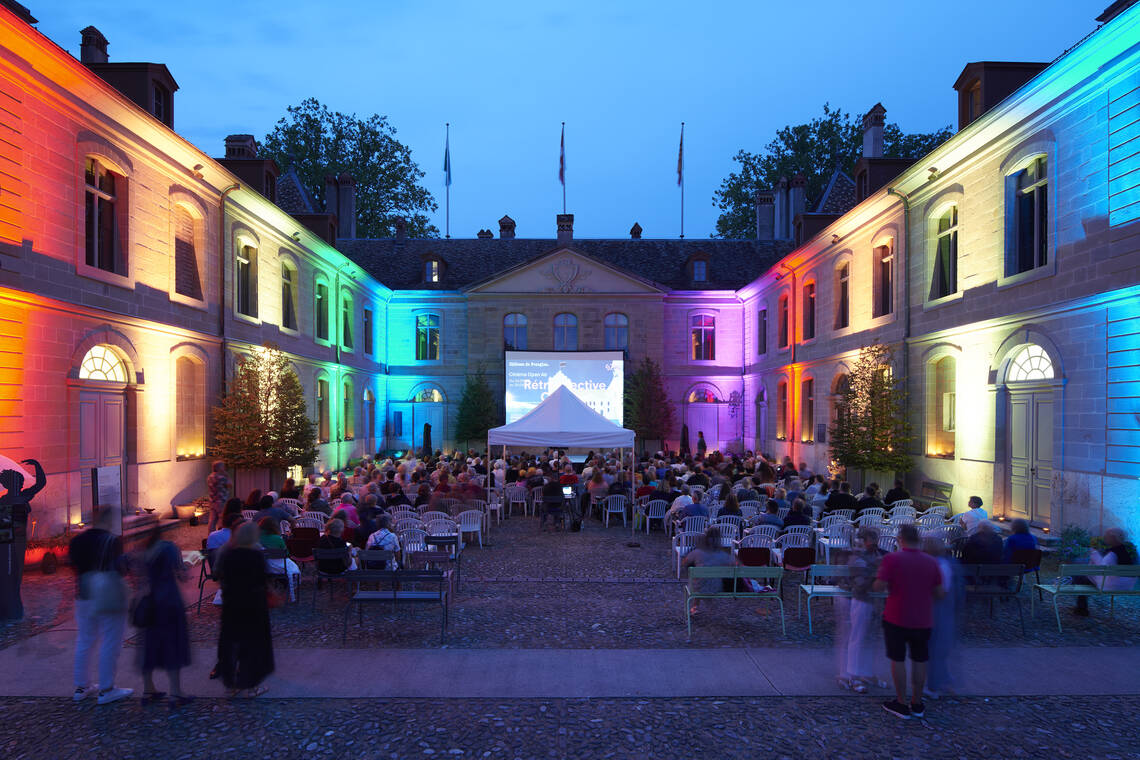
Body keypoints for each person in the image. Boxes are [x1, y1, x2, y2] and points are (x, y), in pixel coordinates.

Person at [873, 524, 945, 720]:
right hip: (923, 617)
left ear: (900, 539)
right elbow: (939, 593)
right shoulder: (931, 562)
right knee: (920, 660)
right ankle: (917, 702)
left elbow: (879, 586)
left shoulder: (892, 559)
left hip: (896, 615)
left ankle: (901, 702)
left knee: (898, 660)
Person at [69, 506, 132, 704]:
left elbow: (73, 565)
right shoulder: (112, 541)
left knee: (84, 640)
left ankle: (82, 686)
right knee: (110, 641)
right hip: (107, 596)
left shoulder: (77, 540)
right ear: (108, 520)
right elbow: (121, 568)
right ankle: (106, 689)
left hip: (84, 593)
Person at [137, 526, 193, 707]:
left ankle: (148, 689)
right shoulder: (169, 548)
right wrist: (189, 566)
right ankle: (175, 692)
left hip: (148, 602)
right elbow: (183, 575)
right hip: (169, 600)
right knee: (173, 644)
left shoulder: (140, 551)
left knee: (149, 644)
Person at [216, 522, 273, 698]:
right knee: (252, 644)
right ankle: (251, 685)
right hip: (253, 604)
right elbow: (263, 579)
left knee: (231, 644)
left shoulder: (228, 554)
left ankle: (231, 685)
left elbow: (220, 576)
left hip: (232, 603)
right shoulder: (255, 555)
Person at [837, 527, 883, 693]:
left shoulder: (876, 554)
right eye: (872, 540)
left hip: (873, 599)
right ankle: (852, 675)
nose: (875, 543)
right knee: (855, 638)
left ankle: (864, 672)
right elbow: (860, 583)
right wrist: (879, 574)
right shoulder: (856, 557)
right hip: (858, 599)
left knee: (869, 638)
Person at [0, 458, 46, 622]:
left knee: (13, 574)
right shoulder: (11, 500)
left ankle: (11, 608)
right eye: (18, 482)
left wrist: (37, 465)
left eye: (20, 482)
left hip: (13, 541)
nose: (20, 485)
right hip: (8, 542)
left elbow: (40, 483)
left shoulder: (19, 497)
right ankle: (9, 609)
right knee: (9, 574)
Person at [924, 536, 960, 700]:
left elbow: (941, 591)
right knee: (938, 647)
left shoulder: (938, 565)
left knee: (934, 648)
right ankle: (945, 679)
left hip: (937, 610)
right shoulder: (948, 563)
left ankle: (934, 685)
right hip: (945, 610)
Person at [1074, 528, 1137, 617]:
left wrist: (1094, 554)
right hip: (1126, 585)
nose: (1104, 537)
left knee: (1080, 579)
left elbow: (1102, 568)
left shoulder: (1113, 553)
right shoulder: (1124, 551)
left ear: (1113, 537)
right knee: (1083, 578)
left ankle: (1081, 609)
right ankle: (1080, 607)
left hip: (1111, 585)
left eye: (1107, 535)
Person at [681, 526, 734, 615]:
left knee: (698, 580)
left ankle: (695, 606)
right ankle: (707, 604)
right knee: (707, 579)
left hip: (697, 588)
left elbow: (684, 563)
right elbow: (734, 565)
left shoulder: (697, 552)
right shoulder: (723, 555)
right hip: (716, 587)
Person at [258, 518, 299, 602]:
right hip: (281, 566)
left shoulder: (258, 539)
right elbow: (286, 553)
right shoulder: (277, 539)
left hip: (265, 566)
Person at [205, 461, 229, 533]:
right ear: (219, 468)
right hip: (221, 501)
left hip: (212, 501)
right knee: (221, 519)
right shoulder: (221, 477)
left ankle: (211, 535)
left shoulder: (210, 477)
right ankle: (220, 535)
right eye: (223, 466)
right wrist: (226, 475)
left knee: (212, 520)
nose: (224, 468)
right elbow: (229, 485)